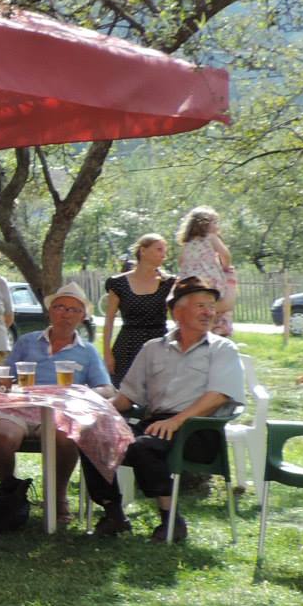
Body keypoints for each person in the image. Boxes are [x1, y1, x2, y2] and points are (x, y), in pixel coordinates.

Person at [89, 276, 245, 542]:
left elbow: (219, 396)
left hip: (199, 427)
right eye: (201, 306)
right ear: (177, 312)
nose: (209, 312)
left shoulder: (222, 348)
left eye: (211, 306)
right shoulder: (153, 348)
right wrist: (97, 411)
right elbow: (127, 397)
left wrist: (178, 420)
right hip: (156, 422)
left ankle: (171, 520)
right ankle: (113, 513)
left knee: (144, 444)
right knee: (93, 435)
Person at [0, 284, 112, 524]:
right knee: (1, 436)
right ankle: (12, 491)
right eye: (60, 307)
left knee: (66, 436)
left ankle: (57, 496)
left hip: (60, 412)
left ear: (82, 317)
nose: (66, 313)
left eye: (74, 310)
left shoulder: (87, 351)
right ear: (50, 312)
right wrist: (5, 383)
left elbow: (106, 389)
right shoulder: (27, 342)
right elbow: (6, 376)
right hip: (21, 407)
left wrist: (81, 393)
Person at [102, 233, 172, 382]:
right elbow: (109, 321)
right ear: (143, 250)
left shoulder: (169, 283)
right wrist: (107, 353)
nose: (163, 255)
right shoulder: (118, 283)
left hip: (159, 345)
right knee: (123, 390)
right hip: (127, 347)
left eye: (165, 251)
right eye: (159, 249)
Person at [175, 207, 239, 337]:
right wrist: (225, 267)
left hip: (190, 281)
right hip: (210, 279)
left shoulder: (188, 242)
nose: (217, 226)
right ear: (204, 224)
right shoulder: (211, 237)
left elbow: (181, 261)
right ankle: (220, 327)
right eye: (215, 222)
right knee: (217, 303)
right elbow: (225, 254)